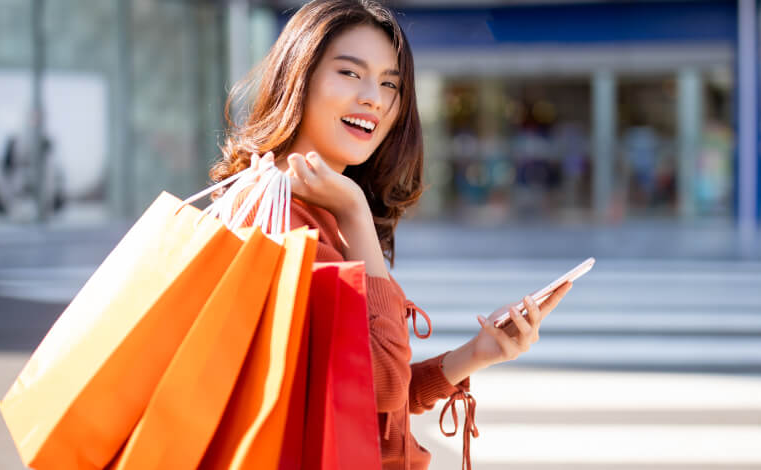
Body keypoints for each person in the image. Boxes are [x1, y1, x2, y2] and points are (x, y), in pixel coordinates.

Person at [209, 1, 572, 469]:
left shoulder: (316, 209)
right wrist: (356, 215)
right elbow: (379, 384)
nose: (373, 99)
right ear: (298, 77)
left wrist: (477, 353)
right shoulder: (279, 221)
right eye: (349, 73)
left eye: (389, 84)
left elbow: (370, 399)